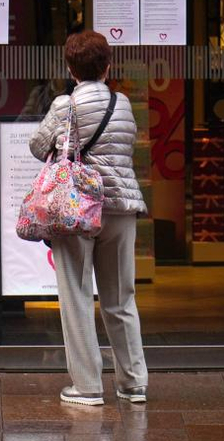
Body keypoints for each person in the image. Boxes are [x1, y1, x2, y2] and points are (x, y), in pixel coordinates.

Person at [29, 30, 149, 406]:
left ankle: (87, 386)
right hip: (121, 209)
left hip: (78, 209)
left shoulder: (65, 105)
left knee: (77, 297)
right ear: (108, 65)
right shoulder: (124, 103)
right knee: (121, 298)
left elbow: (37, 146)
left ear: (69, 67)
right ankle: (134, 383)